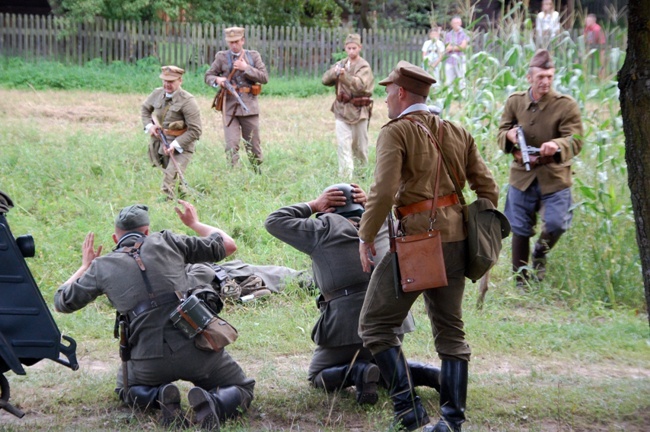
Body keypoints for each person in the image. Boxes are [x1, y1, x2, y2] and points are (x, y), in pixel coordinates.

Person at [357, 61, 498, 432]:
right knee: (451, 331)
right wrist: (482, 233)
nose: (385, 97)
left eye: (388, 90)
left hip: (419, 242)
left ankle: (408, 411)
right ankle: (451, 421)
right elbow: (488, 189)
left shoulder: (396, 132)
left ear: (401, 93)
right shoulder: (456, 131)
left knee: (374, 325)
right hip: (458, 241)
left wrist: (365, 234)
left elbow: (384, 192)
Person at [54, 201, 255, 430]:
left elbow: (62, 302)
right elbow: (228, 245)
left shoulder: (101, 266)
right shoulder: (167, 240)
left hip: (147, 361)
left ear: (114, 238)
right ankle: (214, 403)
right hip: (198, 348)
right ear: (147, 231)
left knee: (125, 389)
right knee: (243, 387)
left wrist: (84, 266)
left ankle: (160, 396)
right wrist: (195, 223)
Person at [264, 184, 441, 406]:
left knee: (317, 374)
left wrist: (313, 205)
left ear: (328, 209)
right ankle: (428, 373)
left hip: (347, 326)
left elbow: (274, 221)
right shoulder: (386, 224)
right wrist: (373, 207)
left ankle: (359, 371)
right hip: (392, 321)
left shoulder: (323, 228)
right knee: (385, 366)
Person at [497, 50, 583, 288]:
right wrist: (509, 135)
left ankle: (540, 253)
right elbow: (501, 133)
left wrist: (556, 145)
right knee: (520, 229)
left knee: (556, 224)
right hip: (522, 175)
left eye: (549, 76)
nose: (545, 81)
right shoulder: (515, 102)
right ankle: (521, 282)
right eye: (541, 77)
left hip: (554, 177)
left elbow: (576, 140)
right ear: (529, 77)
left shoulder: (565, 106)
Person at [205, 26, 269, 173]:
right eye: (231, 42)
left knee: (253, 145)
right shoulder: (221, 57)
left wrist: (246, 68)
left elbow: (264, 78)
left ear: (243, 40)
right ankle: (234, 175)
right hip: (230, 107)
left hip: (249, 106)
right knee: (231, 145)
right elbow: (208, 76)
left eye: (236, 41)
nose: (234, 45)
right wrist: (218, 80)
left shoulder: (253, 56)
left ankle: (257, 173)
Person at [141, 65, 202, 200]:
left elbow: (196, 130)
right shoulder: (157, 94)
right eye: (165, 81)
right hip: (161, 143)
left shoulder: (188, 101)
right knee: (175, 178)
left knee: (169, 181)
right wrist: (149, 126)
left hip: (181, 147)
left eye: (171, 81)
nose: (167, 84)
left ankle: (167, 207)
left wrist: (175, 144)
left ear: (180, 81)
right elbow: (145, 110)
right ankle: (184, 197)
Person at [322, 34, 374, 179]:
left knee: (360, 148)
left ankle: (362, 177)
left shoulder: (364, 66)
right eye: (349, 48)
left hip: (359, 111)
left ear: (359, 48)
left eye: (354, 48)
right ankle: (345, 179)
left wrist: (344, 76)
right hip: (341, 110)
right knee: (343, 146)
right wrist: (334, 72)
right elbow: (325, 80)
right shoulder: (341, 63)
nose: (351, 51)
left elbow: (360, 86)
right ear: (345, 48)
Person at [443, 16, 469, 89]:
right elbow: (447, 47)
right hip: (449, 60)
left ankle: (463, 96)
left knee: (462, 79)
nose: (456, 24)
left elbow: (463, 47)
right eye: (454, 23)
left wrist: (452, 48)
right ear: (451, 24)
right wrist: (456, 47)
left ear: (460, 23)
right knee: (449, 80)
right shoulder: (448, 35)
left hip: (460, 60)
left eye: (457, 22)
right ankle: (449, 96)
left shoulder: (464, 34)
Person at [583, 13, 606, 79]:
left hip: (600, 47)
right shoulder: (587, 28)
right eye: (586, 21)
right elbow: (585, 38)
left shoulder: (597, 29)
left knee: (601, 64)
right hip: (591, 47)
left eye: (589, 21)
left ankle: (601, 78)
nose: (587, 22)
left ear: (594, 21)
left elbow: (597, 40)